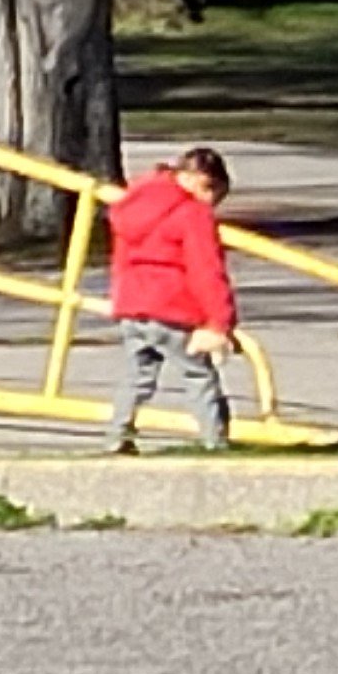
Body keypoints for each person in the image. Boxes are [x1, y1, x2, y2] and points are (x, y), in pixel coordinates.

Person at [104, 147, 238, 454]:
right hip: (173, 307)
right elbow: (206, 269)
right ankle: (215, 440)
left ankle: (117, 435)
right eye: (214, 194)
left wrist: (120, 300)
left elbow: (121, 259)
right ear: (204, 183)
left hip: (133, 304)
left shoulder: (133, 203)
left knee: (136, 376)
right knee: (198, 375)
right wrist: (220, 320)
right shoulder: (193, 213)